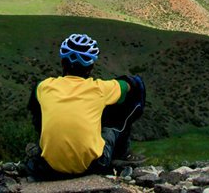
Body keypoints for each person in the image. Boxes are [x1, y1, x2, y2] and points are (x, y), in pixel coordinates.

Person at [25, 33, 146, 179]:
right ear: (91, 67)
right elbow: (133, 85)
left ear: (63, 63)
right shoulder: (100, 89)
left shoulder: (44, 87)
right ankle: (122, 153)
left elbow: (34, 111)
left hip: (49, 166)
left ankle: (46, 146)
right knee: (122, 103)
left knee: (40, 109)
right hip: (92, 166)